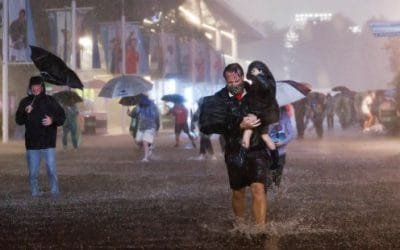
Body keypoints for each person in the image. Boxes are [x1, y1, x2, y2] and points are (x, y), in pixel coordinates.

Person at [199, 63, 280, 232]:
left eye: (237, 80)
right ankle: (240, 225)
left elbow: (274, 114)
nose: (234, 84)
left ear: (243, 77)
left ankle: (260, 229)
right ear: (225, 80)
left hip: (257, 147)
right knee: (238, 191)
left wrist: (258, 120)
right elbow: (207, 126)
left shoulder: (258, 92)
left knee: (258, 188)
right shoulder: (218, 100)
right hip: (234, 149)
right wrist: (238, 125)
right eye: (230, 82)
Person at [15, 76, 66, 197]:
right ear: (30, 87)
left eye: (38, 86)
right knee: (33, 172)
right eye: (34, 86)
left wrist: (52, 120)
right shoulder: (25, 102)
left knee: (51, 169)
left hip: (48, 142)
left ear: (42, 87)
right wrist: (25, 112)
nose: (36, 89)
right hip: (32, 143)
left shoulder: (50, 100)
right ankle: (35, 191)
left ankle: (54, 191)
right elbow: (19, 120)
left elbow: (62, 117)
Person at [241, 60, 280, 165]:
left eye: (255, 70)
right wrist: (246, 85)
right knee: (264, 136)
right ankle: (275, 162)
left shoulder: (266, 82)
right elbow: (253, 96)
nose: (253, 73)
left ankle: (243, 161)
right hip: (263, 114)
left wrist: (258, 75)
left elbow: (265, 88)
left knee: (247, 133)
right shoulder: (261, 82)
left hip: (259, 114)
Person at [268, 105, 295, 188]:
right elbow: (261, 132)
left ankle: (274, 196)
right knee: (267, 176)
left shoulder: (284, 115)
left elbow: (291, 133)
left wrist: (282, 142)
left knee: (277, 177)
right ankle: (266, 197)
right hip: (267, 152)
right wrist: (272, 125)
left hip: (280, 153)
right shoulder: (265, 115)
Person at [134, 95, 160, 162]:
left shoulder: (153, 106)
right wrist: (135, 108)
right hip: (142, 127)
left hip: (150, 126)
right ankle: (150, 146)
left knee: (145, 142)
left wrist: (157, 128)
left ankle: (146, 157)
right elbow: (136, 113)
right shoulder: (139, 106)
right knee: (137, 141)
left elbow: (157, 117)